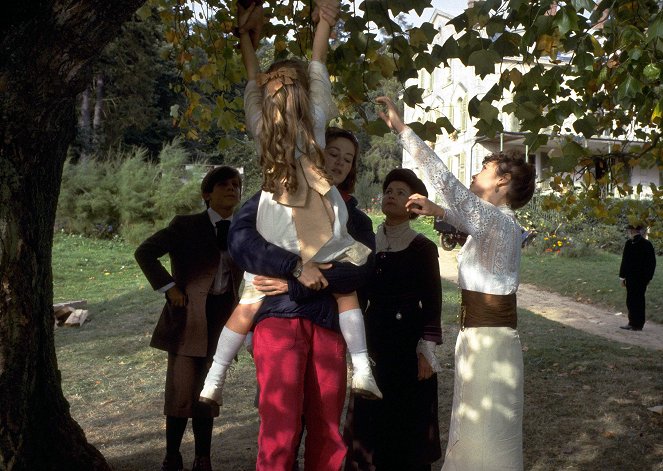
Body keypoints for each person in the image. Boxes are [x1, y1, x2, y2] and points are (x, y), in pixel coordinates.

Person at [199, 0, 382, 410]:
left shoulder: (262, 125)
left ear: (268, 92)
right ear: (302, 91)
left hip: (274, 213)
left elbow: (251, 78)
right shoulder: (314, 122)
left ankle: (214, 379)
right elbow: (318, 61)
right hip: (316, 213)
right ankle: (363, 369)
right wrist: (324, 23)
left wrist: (246, 40)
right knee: (346, 290)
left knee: (249, 298)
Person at [376, 96, 536, 471]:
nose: (475, 174)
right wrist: (441, 212)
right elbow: (469, 220)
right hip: (484, 339)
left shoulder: (496, 220)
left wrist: (403, 130)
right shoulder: (500, 222)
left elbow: (444, 182)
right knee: (476, 429)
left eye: (484, 168)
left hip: (489, 344)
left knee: (483, 435)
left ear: (503, 180)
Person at [134, 166, 243, 471]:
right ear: (207, 194)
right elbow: (145, 252)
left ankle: (203, 458)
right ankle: (172, 456)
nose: (232, 189)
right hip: (186, 320)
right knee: (181, 390)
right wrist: (170, 288)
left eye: (236, 185)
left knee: (209, 391)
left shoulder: (243, 229)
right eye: (223, 185)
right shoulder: (185, 225)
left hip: (222, 322)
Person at [343, 168, 443, 471]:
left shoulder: (423, 247)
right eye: (389, 190)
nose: (391, 196)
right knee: (370, 416)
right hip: (374, 340)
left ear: (413, 205)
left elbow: (433, 301)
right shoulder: (367, 245)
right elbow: (357, 296)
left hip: (409, 343)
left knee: (406, 420)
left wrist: (426, 349)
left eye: (401, 193)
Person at [619, 224, 656, 331]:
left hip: (633, 277)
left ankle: (635, 323)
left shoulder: (630, 243)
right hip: (641, 278)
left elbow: (625, 262)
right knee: (638, 299)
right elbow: (652, 263)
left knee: (632, 300)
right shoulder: (646, 244)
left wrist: (622, 277)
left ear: (632, 231)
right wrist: (649, 277)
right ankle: (635, 323)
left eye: (630, 230)